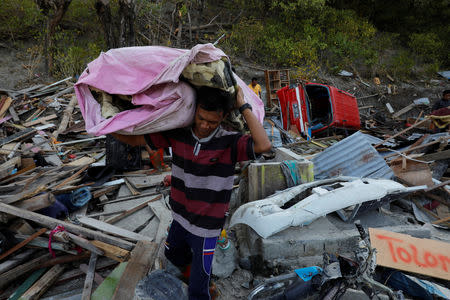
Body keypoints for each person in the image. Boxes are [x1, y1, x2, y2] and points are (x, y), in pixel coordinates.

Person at [111, 86, 271, 300]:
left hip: (206, 227)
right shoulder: (179, 133)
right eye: (201, 118)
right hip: (180, 218)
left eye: (212, 122)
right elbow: (137, 140)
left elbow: (263, 144)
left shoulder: (230, 141)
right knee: (173, 254)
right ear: (193, 111)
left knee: (198, 289)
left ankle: (204, 287)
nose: (205, 125)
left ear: (222, 117)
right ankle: (193, 275)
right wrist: (106, 127)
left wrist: (243, 106)